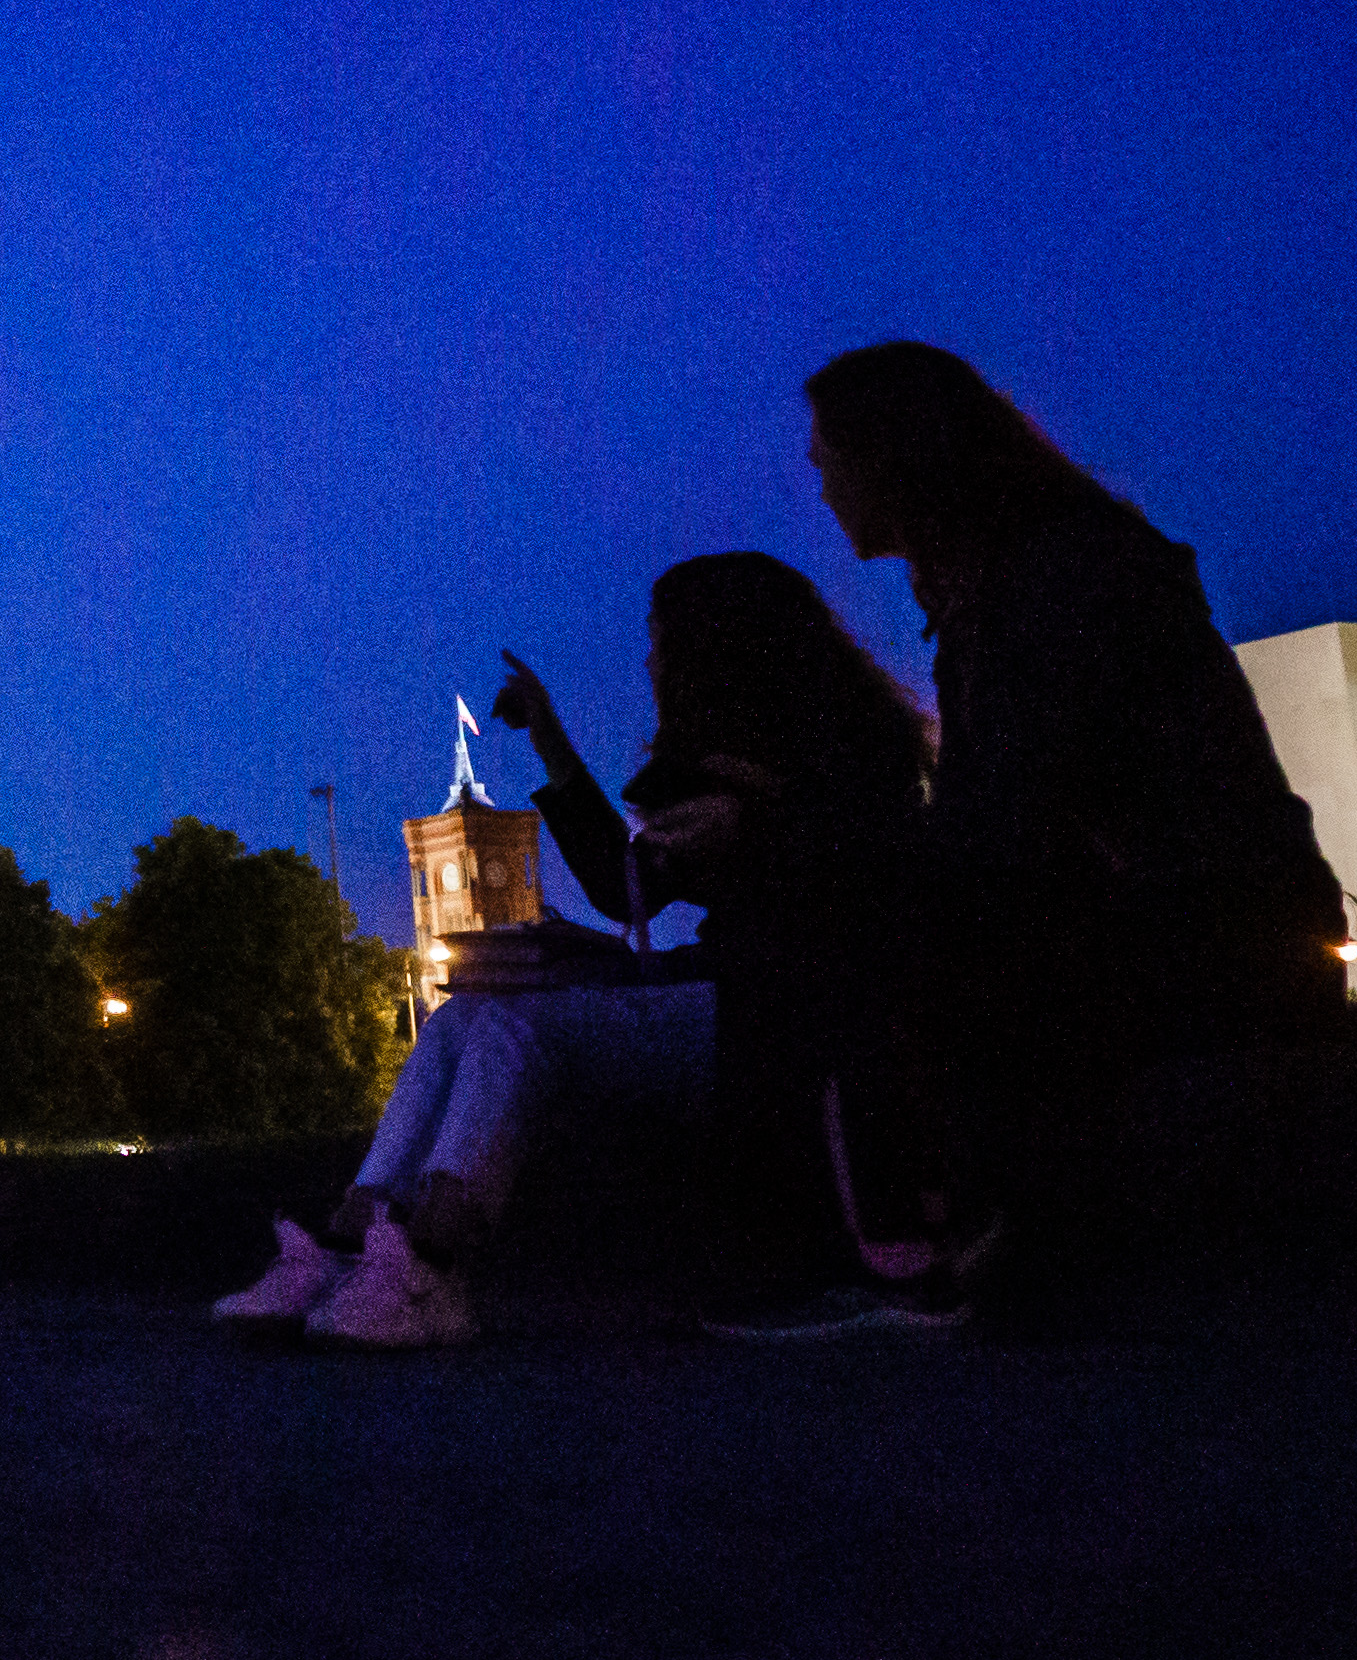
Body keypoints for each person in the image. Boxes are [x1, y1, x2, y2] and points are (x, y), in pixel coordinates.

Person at [220, 552, 934, 1347]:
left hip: (784, 1021)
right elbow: (625, 887)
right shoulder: (727, 758)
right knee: (464, 1014)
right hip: (727, 1003)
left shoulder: (850, 753)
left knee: (515, 1025)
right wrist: (551, 740)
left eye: (658, 641)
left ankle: (431, 1264)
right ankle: (351, 1242)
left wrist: (756, 826)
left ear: (715, 647)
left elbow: (877, 881)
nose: (647, 662)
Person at [792, 341, 1343, 1313]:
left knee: (871, 932)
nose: (818, 480)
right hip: (1202, 907)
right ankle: (940, 1238)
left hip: (1214, 927)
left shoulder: (1052, 582)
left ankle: (935, 1245)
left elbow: (1009, 815)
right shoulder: (1015, 576)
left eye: (829, 452)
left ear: (895, 453)